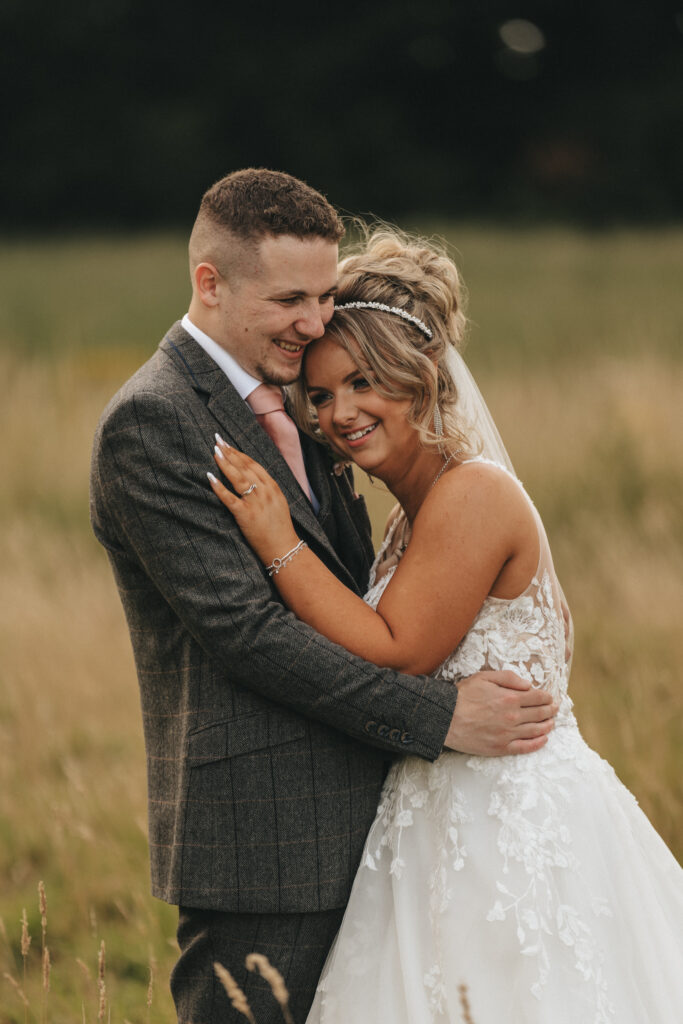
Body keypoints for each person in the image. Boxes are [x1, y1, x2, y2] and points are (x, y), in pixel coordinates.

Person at [90, 170, 558, 1024]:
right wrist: (437, 717)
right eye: (290, 300)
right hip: (267, 837)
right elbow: (249, 636)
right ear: (209, 282)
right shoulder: (154, 421)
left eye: (324, 293)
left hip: (389, 823)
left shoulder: (306, 406)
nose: (315, 321)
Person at [208, 227, 683, 1022]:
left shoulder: (470, 493)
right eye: (319, 395)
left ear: (420, 379)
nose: (339, 414)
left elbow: (402, 649)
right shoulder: (412, 512)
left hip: (508, 828)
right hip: (436, 811)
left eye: (363, 383)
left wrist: (277, 543)